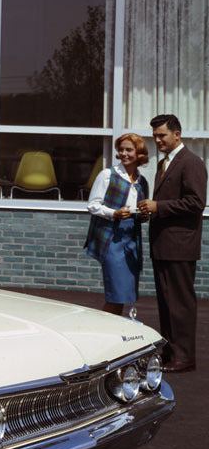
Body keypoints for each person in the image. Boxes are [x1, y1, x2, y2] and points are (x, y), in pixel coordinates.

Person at [137, 114, 207, 373]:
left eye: (162, 135)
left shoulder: (191, 162)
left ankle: (185, 357)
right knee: (166, 302)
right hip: (164, 244)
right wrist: (151, 211)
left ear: (177, 134)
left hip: (180, 246)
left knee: (180, 303)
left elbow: (196, 202)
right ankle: (171, 352)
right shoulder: (165, 163)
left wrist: (159, 206)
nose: (157, 140)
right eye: (155, 136)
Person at [84, 133, 150, 315]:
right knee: (116, 294)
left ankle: (114, 329)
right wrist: (114, 213)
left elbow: (142, 213)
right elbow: (92, 205)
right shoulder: (107, 175)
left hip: (132, 239)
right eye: (121, 150)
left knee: (125, 294)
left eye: (129, 150)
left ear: (139, 153)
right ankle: (105, 331)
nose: (124, 153)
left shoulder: (142, 181)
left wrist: (144, 215)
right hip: (112, 239)